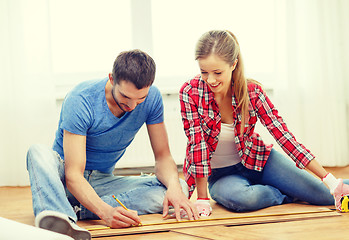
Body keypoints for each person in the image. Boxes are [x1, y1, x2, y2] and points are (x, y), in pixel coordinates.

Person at [26, 49, 198, 240]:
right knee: (37, 152)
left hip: (101, 181)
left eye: (140, 99)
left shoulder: (153, 98)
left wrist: (173, 187)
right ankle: (60, 217)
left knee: (179, 187)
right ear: (111, 79)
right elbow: (73, 174)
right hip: (63, 178)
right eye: (126, 97)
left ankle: (76, 210)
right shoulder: (81, 99)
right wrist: (106, 213)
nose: (132, 106)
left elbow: (163, 156)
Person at [179, 30, 349, 217]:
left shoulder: (252, 92)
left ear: (233, 64)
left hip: (259, 159)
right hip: (223, 175)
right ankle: (286, 193)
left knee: (324, 195)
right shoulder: (190, 92)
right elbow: (197, 146)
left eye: (217, 72)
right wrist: (202, 198)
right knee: (243, 199)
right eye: (204, 72)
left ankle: (331, 185)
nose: (210, 79)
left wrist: (330, 180)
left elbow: (283, 137)